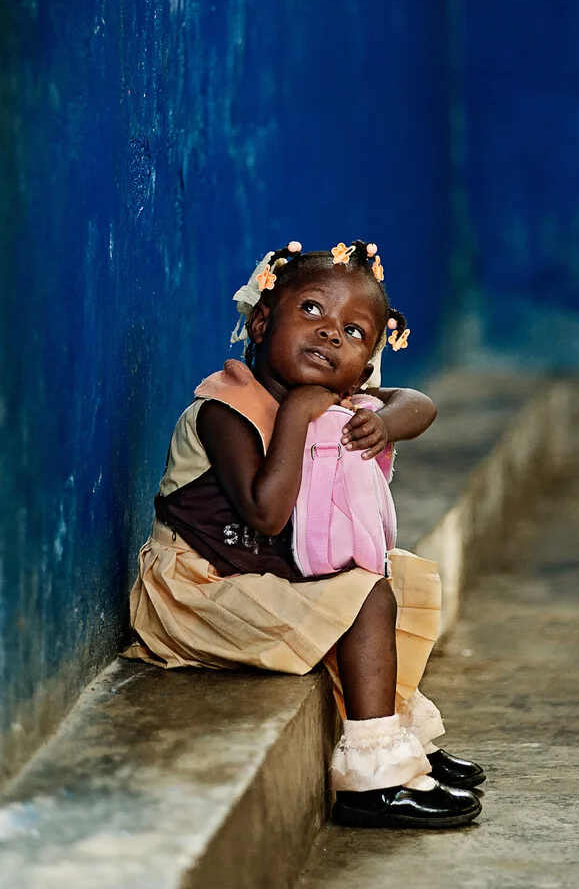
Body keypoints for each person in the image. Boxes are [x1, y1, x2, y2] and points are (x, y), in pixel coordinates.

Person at [123, 239, 486, 829]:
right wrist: (297, 416)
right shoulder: (226, 409)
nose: (329, 334)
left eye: (354, 332)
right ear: (263, 321)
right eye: (312, 311)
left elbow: (419, 406)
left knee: (393, 576)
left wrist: (383, 419)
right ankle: (373, 781)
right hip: (197, 594)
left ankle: (397, 743)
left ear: (365, 364)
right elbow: (266, 514)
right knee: (362, 598)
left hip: (256, 580)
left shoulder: (338, 400)